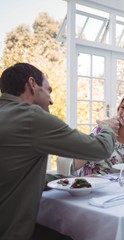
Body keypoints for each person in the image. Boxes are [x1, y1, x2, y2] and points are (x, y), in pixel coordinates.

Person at [0, 63, 116, 240]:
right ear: (32, 84)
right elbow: (101, 149)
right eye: (49, 90)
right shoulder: (31, 117)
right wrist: (107, 128)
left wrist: (67, 179)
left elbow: (15, 174)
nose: (52, 100)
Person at [74, 91, 124, 176]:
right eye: (123, 107)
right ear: (118, 109)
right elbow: (79, 165)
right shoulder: (102, 130)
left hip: (118, 186)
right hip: (94, 183)